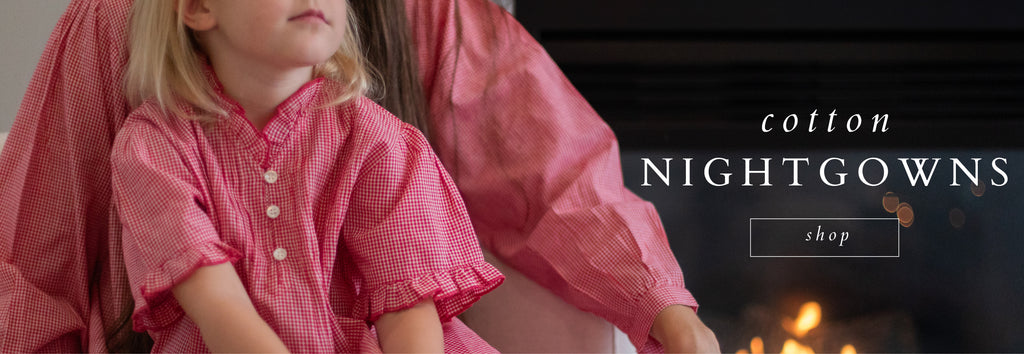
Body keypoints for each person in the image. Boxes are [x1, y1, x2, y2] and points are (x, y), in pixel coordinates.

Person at [0, 0, 718, 352]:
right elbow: (34, 261)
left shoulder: (389, 114)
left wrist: (665, 311)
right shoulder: (131, 72)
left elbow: (557, 176)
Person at [110, 0, 505, 352]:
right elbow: (219, 308)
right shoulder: (153, 147)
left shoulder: (375, 138)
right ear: (197, 8)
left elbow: (407, 308)